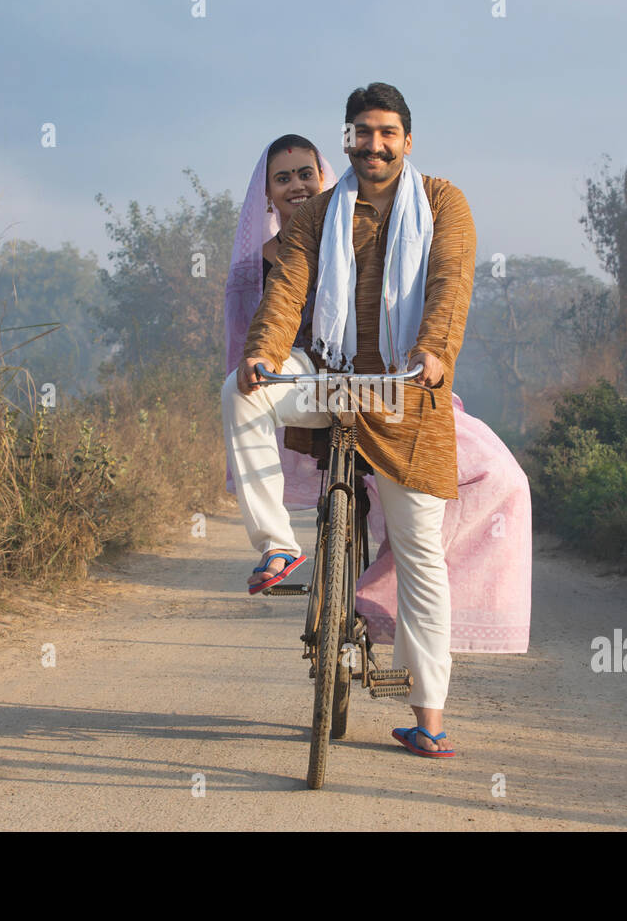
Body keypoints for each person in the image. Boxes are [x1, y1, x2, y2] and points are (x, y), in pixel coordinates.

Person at [221, 84, 530, 759]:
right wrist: (261, 356)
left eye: (387, 132)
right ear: (347, 141)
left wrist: (434, 352)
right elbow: (287, 295)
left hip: (405, 397)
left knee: (422, 556)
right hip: (330, 383)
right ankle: (277, 544)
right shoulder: (316, 218)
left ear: (407, 140)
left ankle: (429, 716)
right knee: (239, 391)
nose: (374, 144)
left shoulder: (445, 203)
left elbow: (451, 282)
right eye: (362, 132)